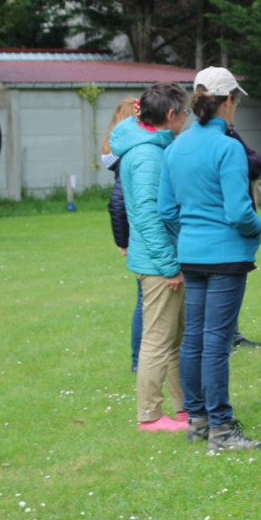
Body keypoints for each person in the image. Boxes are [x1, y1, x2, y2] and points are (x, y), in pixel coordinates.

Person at [159, 66, 261, 452]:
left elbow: (167, 210)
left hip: (192, 254)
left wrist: (189, 236)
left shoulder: (176, 147)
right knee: (217, 343)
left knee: (194, 340)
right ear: (229, 102)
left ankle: (200, 421)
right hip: (226, 255)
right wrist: (257, 228)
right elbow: (239, 213)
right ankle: (221, 429)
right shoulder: (228, 148)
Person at [109, 83, 191, 432]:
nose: (187, 118)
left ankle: (185, 407)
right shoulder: (146, 155)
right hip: (158, 265)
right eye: (184, 112)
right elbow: (145, 215)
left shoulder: (152, 146)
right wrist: (169, 265)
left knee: (175, 339)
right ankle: (150, 416)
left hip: (163, 260)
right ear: (170, 116)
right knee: (158, 340)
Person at [100, 96, 143, 373]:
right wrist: (123, 240)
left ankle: (140, 360)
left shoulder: (116, 154)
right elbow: (118, 202)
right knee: (145, 301)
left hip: (134, 233)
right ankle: (139, 361)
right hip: (141, 234)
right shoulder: (132, 154)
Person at [224, 123, 261, 350]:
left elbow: (256, 163)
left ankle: (233, 334)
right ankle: (225, 338)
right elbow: (251, 162)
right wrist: (254, 228)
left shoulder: (230, 133)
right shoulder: (221, 139)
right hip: (226, 227)